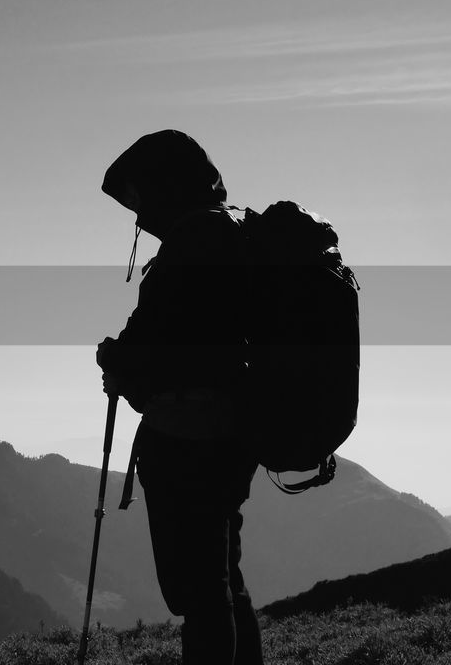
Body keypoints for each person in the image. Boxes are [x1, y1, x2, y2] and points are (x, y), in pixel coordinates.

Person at [95, 130, 263, 665]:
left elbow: (159, 351)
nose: (139, 216)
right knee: (221, 576)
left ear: (167, 189)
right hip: (233, 435)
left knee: (201, 593)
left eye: (143, 198)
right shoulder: (230, 237)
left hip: (188, 438)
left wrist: (115, 359)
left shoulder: (190, 249)